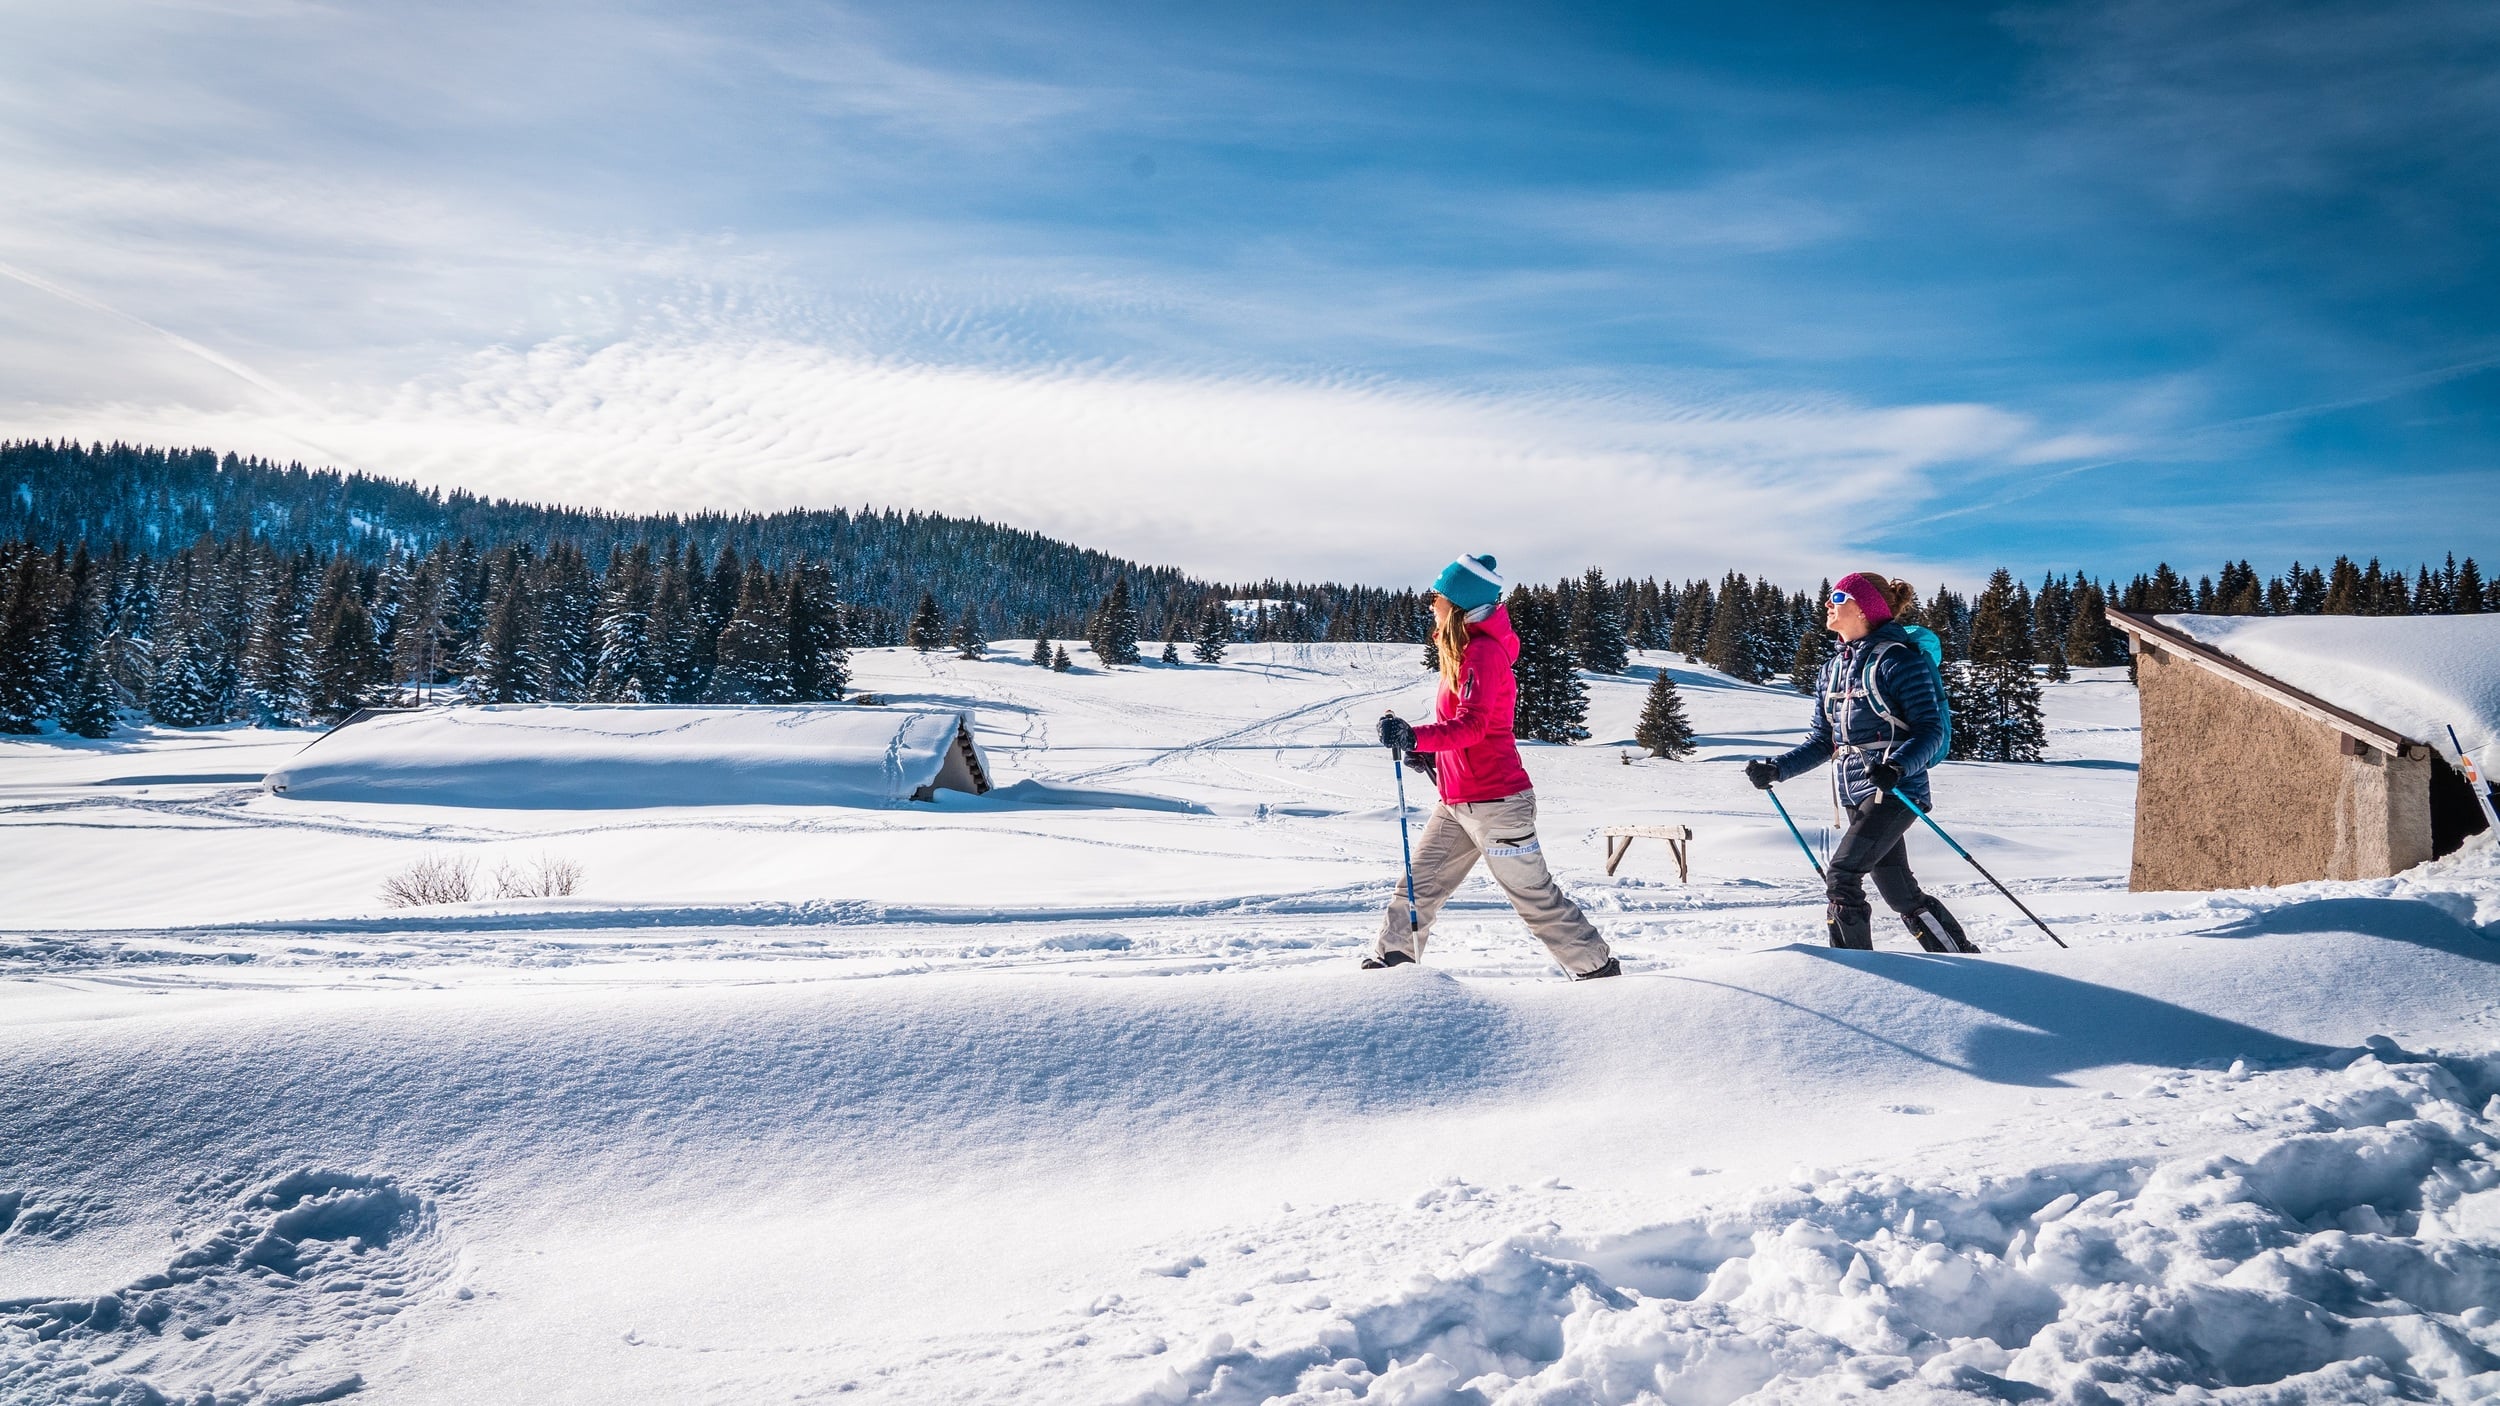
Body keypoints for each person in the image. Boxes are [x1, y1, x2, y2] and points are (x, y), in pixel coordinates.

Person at [1370, 553, 1620, 979]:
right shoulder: (1462, 652)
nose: (1431, 602)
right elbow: (1460, 730)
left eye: (1437, 595)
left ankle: (1598, 971)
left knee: (1534, 899)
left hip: (1499, 805)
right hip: (1455, 804)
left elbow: (1474, 725)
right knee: (1417, 889)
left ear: (1458, 603)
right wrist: (1428, 754)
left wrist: (1417, 735)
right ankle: (1392, 967)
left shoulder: (1483, 653)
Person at [1744, 573, 1977, 953]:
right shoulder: (1831, 670)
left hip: (1897, 790)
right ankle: (1963, 961)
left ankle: (1856, 978)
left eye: (1838, 595)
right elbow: (1824, 741)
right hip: (1855, 792)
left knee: (1842, 876)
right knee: (1901, 894)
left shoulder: (1899, 660)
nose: (1827, 603)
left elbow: (1930, 730)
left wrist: (1898, 768)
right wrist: (1778, 769)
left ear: (1864, 607)